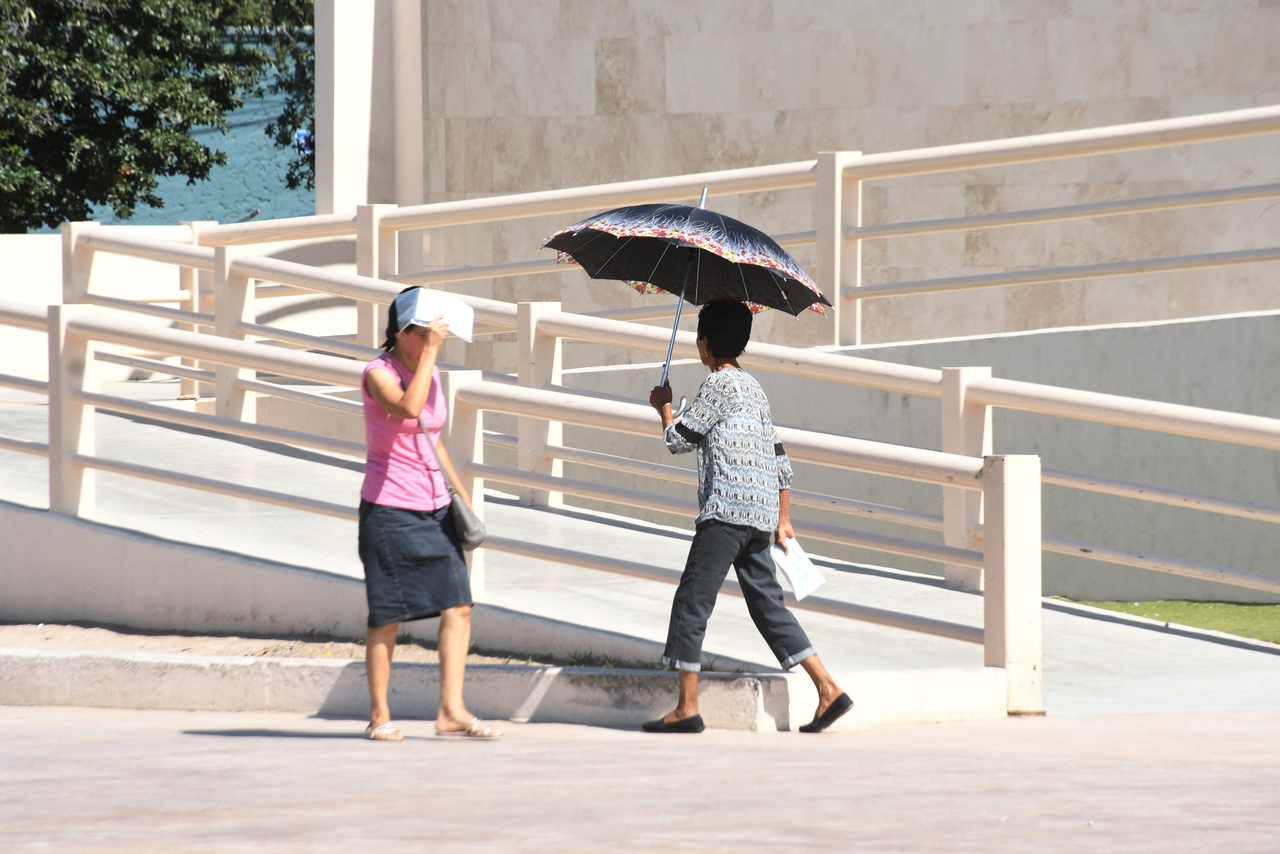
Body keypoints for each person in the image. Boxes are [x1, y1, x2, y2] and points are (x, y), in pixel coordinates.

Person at [646, 299, 852, 734]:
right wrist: (784, 517)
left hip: (725, 512)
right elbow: (779, 456)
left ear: (703, 345)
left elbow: (679, 440)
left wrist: (663, 407)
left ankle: (686, 707)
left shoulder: (717, 386)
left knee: (692, 600)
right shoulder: (754, 388)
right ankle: (827, 687)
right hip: (760, 516)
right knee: (767, 605)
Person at [357, 286, 499, 740]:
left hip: (435, 508)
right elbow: (408, 407)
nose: (429, 341)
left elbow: (432, 438)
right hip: (389, 507)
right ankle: (379, 715)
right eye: (421, 334)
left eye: (434, 334)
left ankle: (451, 710)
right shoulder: (378, 373)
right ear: (399, 334)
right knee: (387, 615)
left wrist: (462, 496)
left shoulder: (430, 373)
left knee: (459, 605)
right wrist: (432, 355)